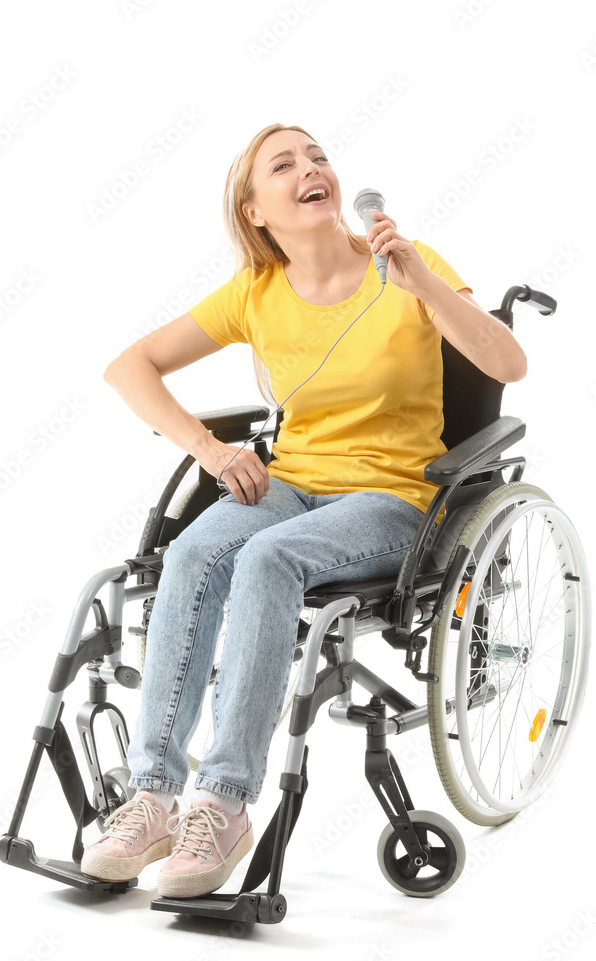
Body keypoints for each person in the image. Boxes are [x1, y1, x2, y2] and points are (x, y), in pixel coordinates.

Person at [80, 122, 528, 898]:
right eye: (283, 165)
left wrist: (422, 284)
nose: (310, 169)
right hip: (289, 484)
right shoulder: (255, 293)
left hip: (393, 495)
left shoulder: (405, 265)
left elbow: (508, 365)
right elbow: (129, 366)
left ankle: (222, 801)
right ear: (256, 212)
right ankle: (154, 795)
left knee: (268, 557)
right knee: (192, 552)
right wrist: (211, 452)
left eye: (317, 156)